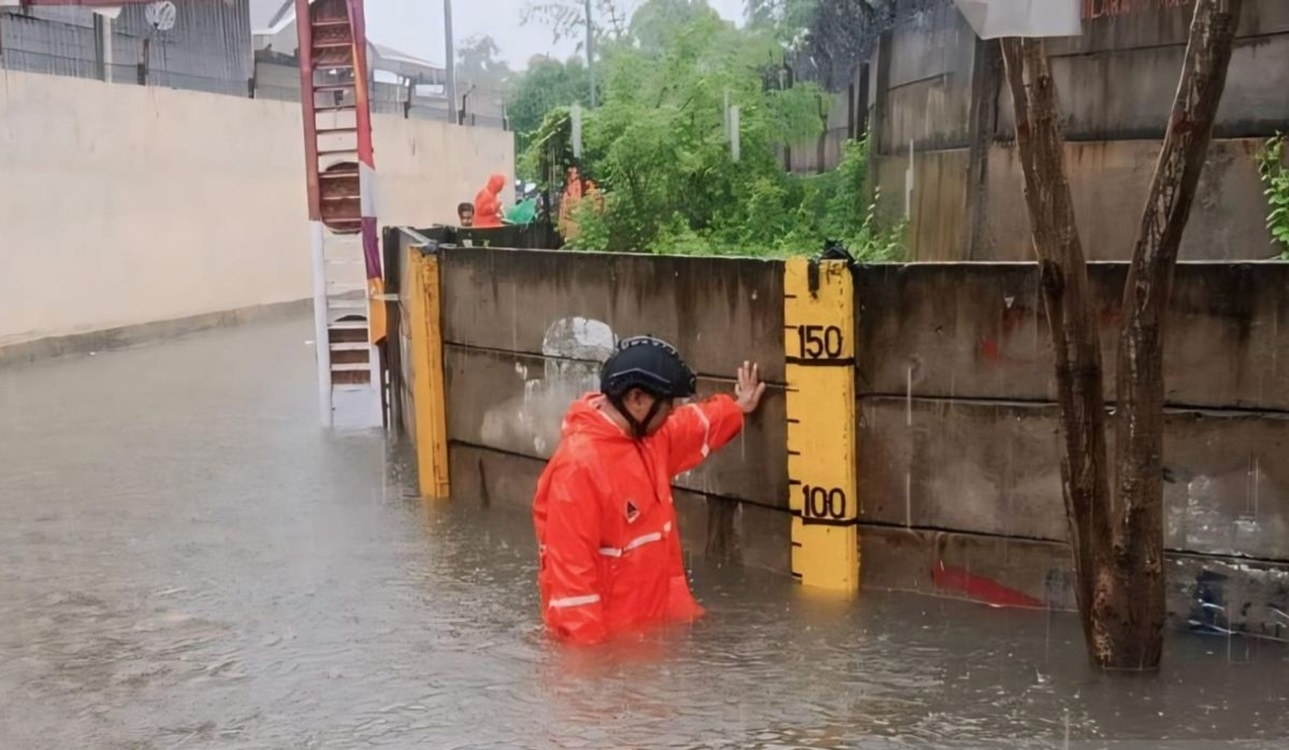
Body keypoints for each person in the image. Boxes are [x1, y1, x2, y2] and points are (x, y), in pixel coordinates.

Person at [531, 336, 767, 646]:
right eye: (667, 403)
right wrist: (591, 683)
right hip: (614, 653)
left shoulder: (649, 438)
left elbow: (693, 425)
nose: (671, 412)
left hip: (656, 636)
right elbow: (572, 595)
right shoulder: (578, 469)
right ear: (637, 399)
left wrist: (737, 408)